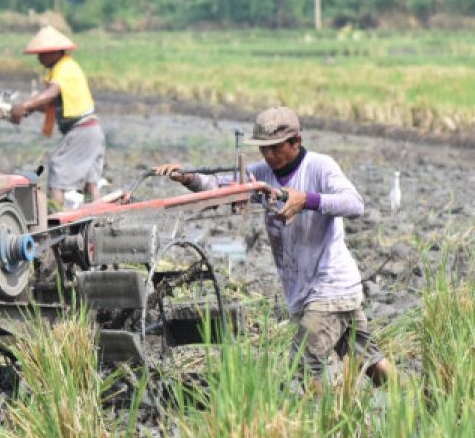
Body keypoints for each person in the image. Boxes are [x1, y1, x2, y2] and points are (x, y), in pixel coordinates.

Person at [153, 106, 393, 387]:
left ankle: (325, 426)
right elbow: (220, 186)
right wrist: (187, 177)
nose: (269, 155)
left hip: (328, 290)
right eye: (263, 149)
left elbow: (355, 204)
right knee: (368, 358)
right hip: (312, 292)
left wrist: (306, 199)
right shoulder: (261, 174)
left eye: (276, 148)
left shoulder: (320, 167)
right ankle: (411, 400)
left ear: (296, 142)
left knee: (303, 360)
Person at [9, 25, 105, 207]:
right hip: (91, 130)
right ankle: (99, 218)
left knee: (57, 167)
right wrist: (30, 108)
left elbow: (52, 93)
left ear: (56, 52)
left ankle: (56, 217)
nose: (39, 58)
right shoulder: (64, 68)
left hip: (82, 130)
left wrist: (25, 105)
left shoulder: (65, 68)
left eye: (43, 53)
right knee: (90, 182)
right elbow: (56, 107)